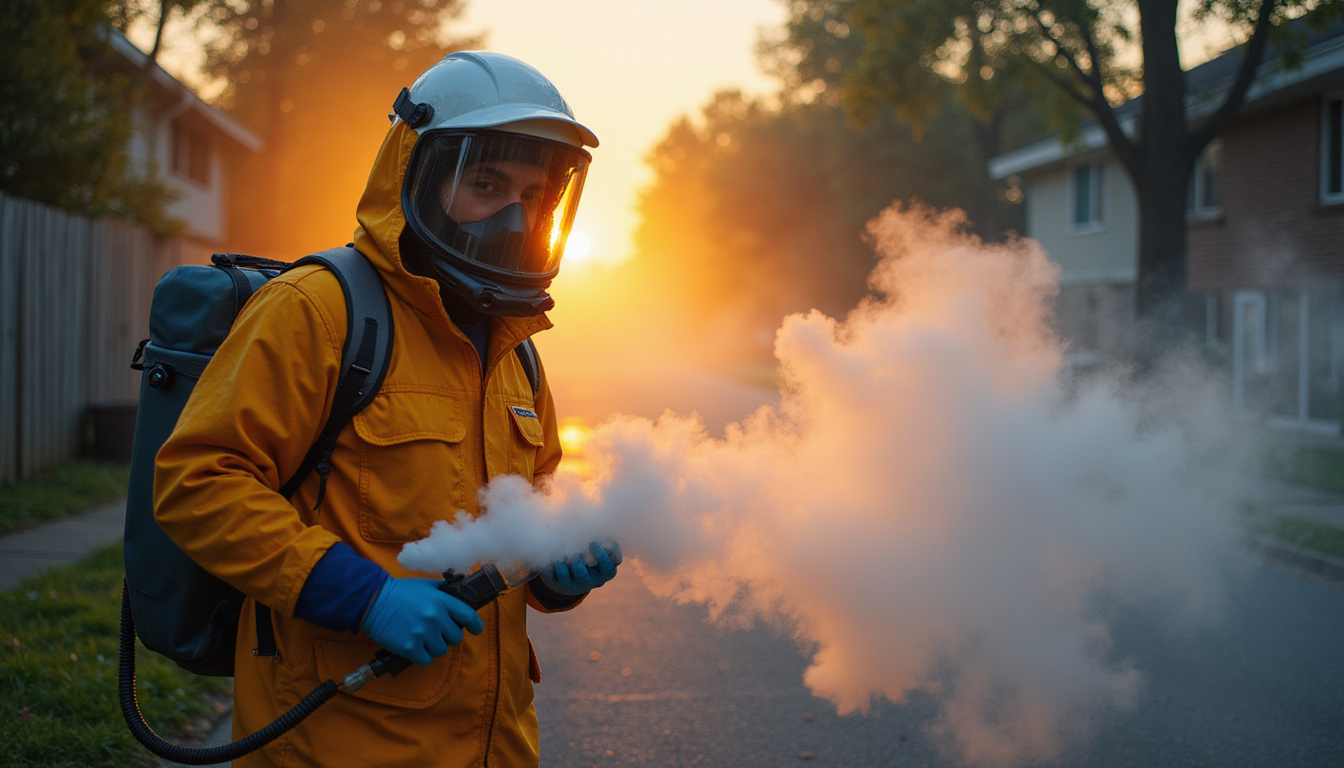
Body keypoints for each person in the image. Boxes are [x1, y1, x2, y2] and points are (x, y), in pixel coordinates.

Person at [154, 51, 620, 768]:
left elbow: (531, 516)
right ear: (420, 176)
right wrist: (364, 597)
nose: (515, 215)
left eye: (535, 193)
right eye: (487, 183)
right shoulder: (320, 311)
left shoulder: (516, 351)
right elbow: (197, 484)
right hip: (335, 741)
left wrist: (558, 571)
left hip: (496, 748)